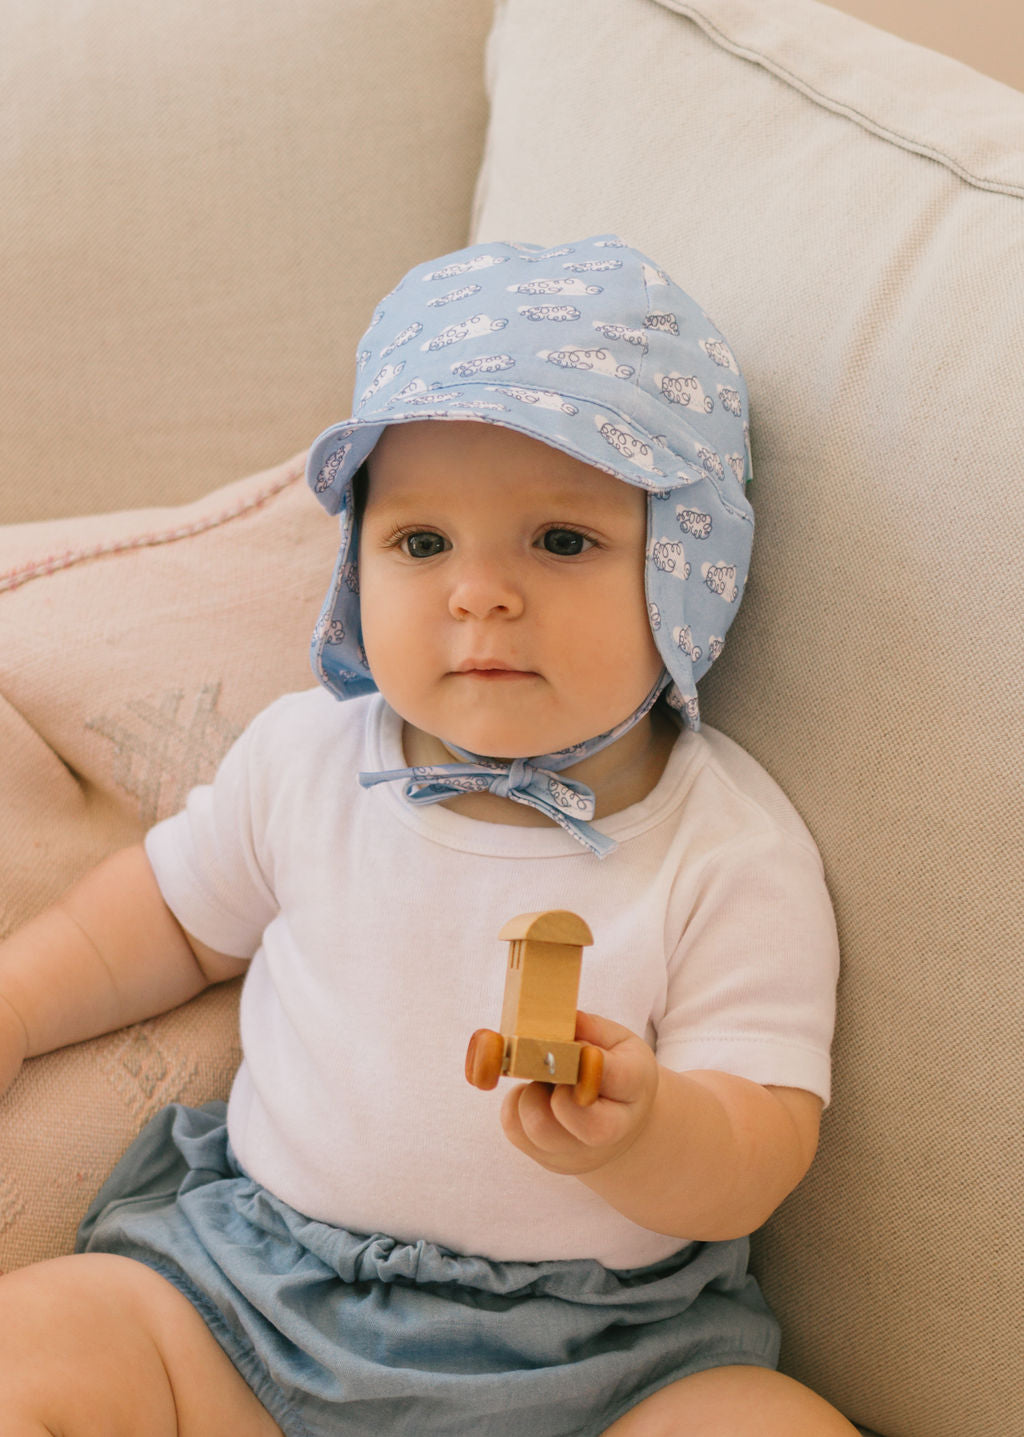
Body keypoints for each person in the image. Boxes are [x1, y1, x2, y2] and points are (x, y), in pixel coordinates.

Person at [0, 237, 858, 1435]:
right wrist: (20, 1007)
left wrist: (651, 1129)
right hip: (253, 1312)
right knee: (36, 1341)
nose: (479, 594)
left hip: (604, 1362)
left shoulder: (728, 849)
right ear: (356, 562)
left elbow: (763, 1142)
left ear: (687, 576)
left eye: (560, 542)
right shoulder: (310, 758)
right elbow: (151, 923)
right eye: (420, 543)